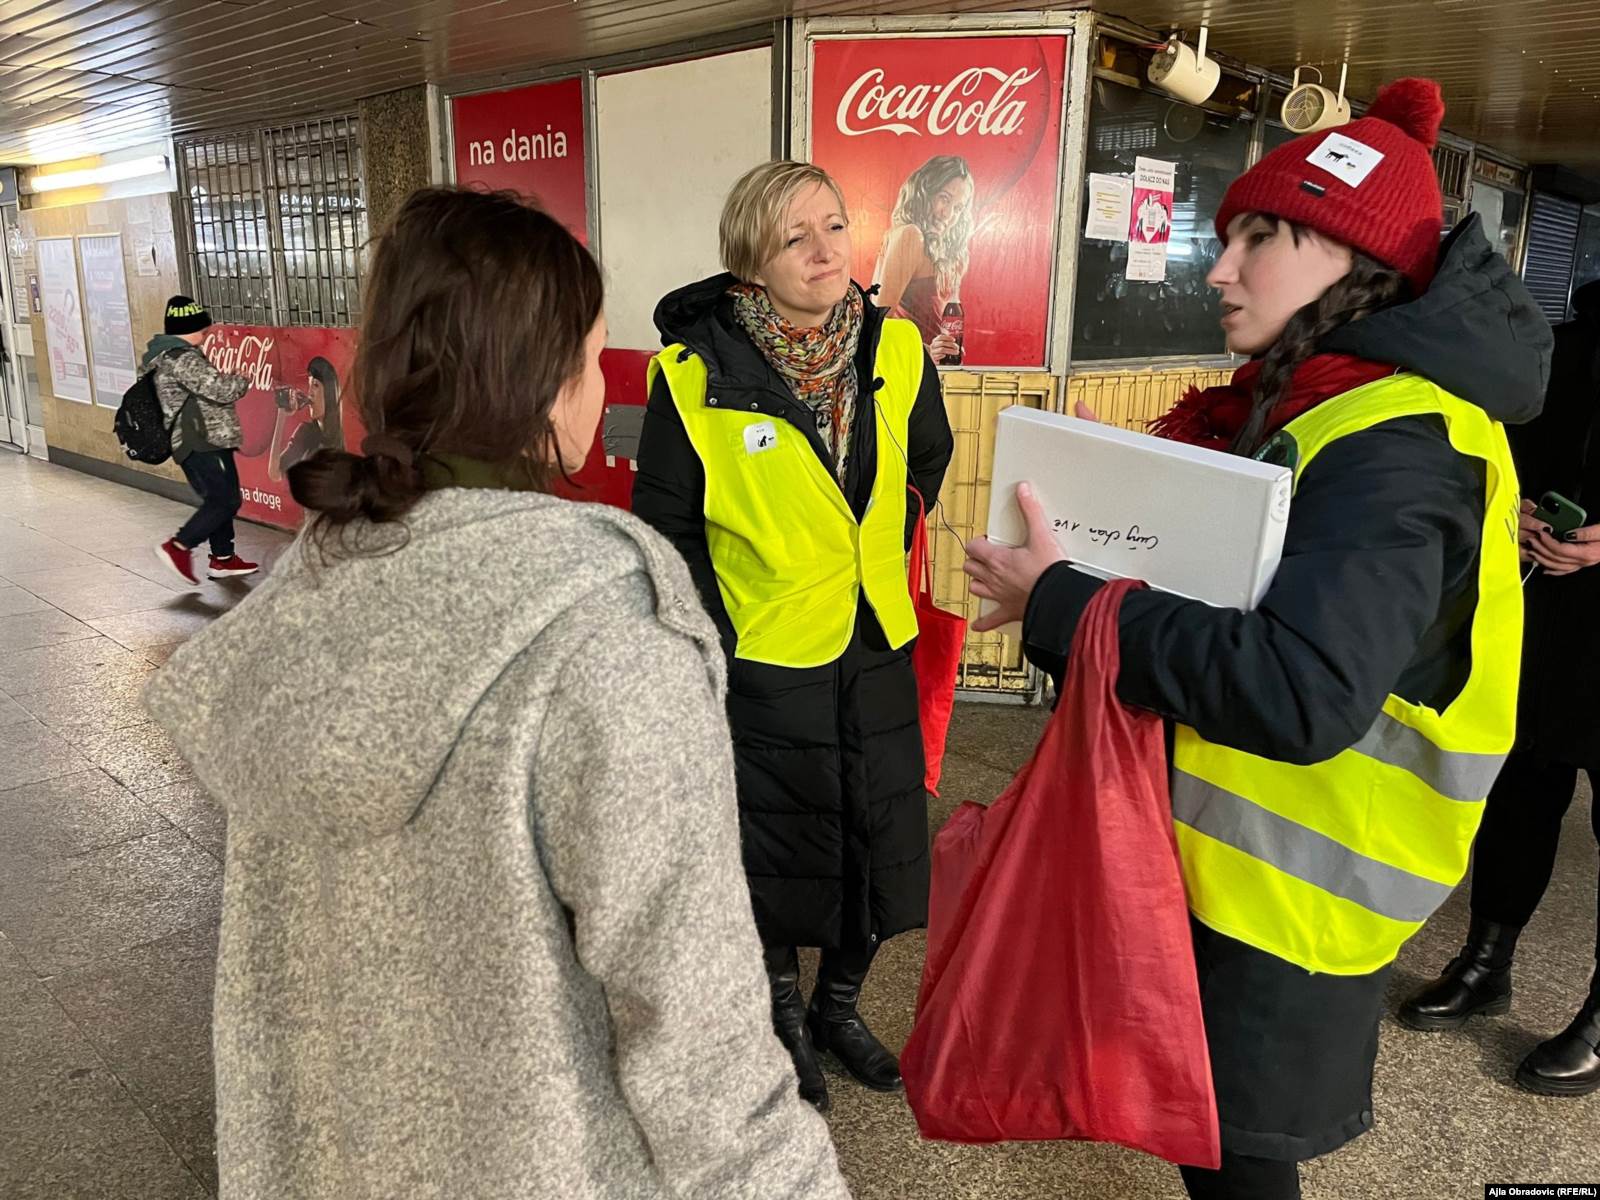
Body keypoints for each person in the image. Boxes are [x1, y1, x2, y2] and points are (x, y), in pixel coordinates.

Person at [141, 188, 851, 1200]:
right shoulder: (603, 633)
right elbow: (697, 1028)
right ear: (548, 383)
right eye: (594, 356)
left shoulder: (306, 601)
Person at [962, 79, 1550, 1199]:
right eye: (1226, 236)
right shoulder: (1329, 403)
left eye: (1259, 240)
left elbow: (1300, 689)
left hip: (1291, 900)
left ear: (1351, 262)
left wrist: (1065, 605)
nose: (1218, 268)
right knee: (1210, 1149)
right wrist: (1097, 526)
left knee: (1237, 1167)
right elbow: (1247, 586)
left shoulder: (1395, 445)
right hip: (1240, 873)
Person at [633, 160, 954, 1114]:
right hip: (765, 651)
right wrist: (715, 637)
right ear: (750, 259)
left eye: (835, 227)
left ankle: (839, 1008)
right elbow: (670, 530)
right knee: (775, 846)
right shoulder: (695, 376)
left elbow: (924, 457)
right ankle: (779, 1012)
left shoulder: (895, 350)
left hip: (875, 636)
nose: (825, 252)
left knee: (877, 835)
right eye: (794, 238)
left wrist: (882, 539)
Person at [1399, 278, 1600, 1096]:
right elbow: (1498, 445)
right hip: (1540, 615)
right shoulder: (1559, 342)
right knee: (1520, 793)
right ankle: (1486, 962)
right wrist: (1508, 505)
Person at [147, 296, 259, 586]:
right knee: (226, 500)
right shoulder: (181, 358)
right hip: (201, 439)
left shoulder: (170, 356)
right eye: (203, 329)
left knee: (220, 498)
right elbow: (218, 390)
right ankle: (179, 546)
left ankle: (223, 558)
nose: (207, 333)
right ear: (188, 328)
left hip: (203, 439)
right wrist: (242, 379)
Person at [871, 155, 975, 363]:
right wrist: (928, 351)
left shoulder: (951, 253)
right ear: (925, 191)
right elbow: (877, 325)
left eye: (957, 208)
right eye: (944, 198)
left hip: (931, 372)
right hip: (906, 369)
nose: (948, 214)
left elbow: (948, 320)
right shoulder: (910, 235)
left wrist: (947, 349)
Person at [266, 354, 343, 481]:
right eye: (309, 384)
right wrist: (281, 416)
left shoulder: (338, 438)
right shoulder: (306, 432)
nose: (310, 393)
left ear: (329, 394)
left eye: (316, 385)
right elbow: (275, 472)